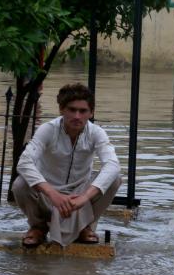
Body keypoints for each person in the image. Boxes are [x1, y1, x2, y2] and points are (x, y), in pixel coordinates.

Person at [12, 83, 121, 247]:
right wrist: (52, 194)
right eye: (72, 109)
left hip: (80, 194)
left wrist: (84, 197)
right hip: (48, 194)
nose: (77, 116)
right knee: (20, 184)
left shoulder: (96, 133)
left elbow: (113, 165)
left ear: (91, 113)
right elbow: (24, 162)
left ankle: (85, 227)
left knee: (115, 179)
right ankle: (38, 227)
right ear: (61, 110)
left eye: (83, 111)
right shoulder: (47, 129)